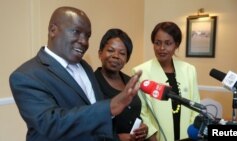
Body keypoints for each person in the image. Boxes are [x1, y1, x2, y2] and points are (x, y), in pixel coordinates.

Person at [9, 6, 142, 141]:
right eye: (76, 32)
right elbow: (51, 124)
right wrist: (110, 107)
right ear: (52, 30)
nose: (84, 42)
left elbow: (94, 120)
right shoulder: (26, 76)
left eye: (87, 36)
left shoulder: (85, 67)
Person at [132, 21, 200, 141]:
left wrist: (193, 132)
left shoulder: (189, 70)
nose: (162, 48)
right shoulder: (140, 71)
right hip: (157, 137)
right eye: (157, 43)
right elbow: (142, 110)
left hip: (187, 135)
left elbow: (195, 105)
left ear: (176, 45)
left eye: (168, 43)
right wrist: (151, 134)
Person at [94, 28, 157, 141]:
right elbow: (89, 125)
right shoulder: (92, 83)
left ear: (126, 59)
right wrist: (117, 138)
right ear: (100, 53)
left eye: (122, 53)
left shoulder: (131, 81)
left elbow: (135, 113)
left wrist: (143, 128)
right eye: (111, 50)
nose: (116, 56)